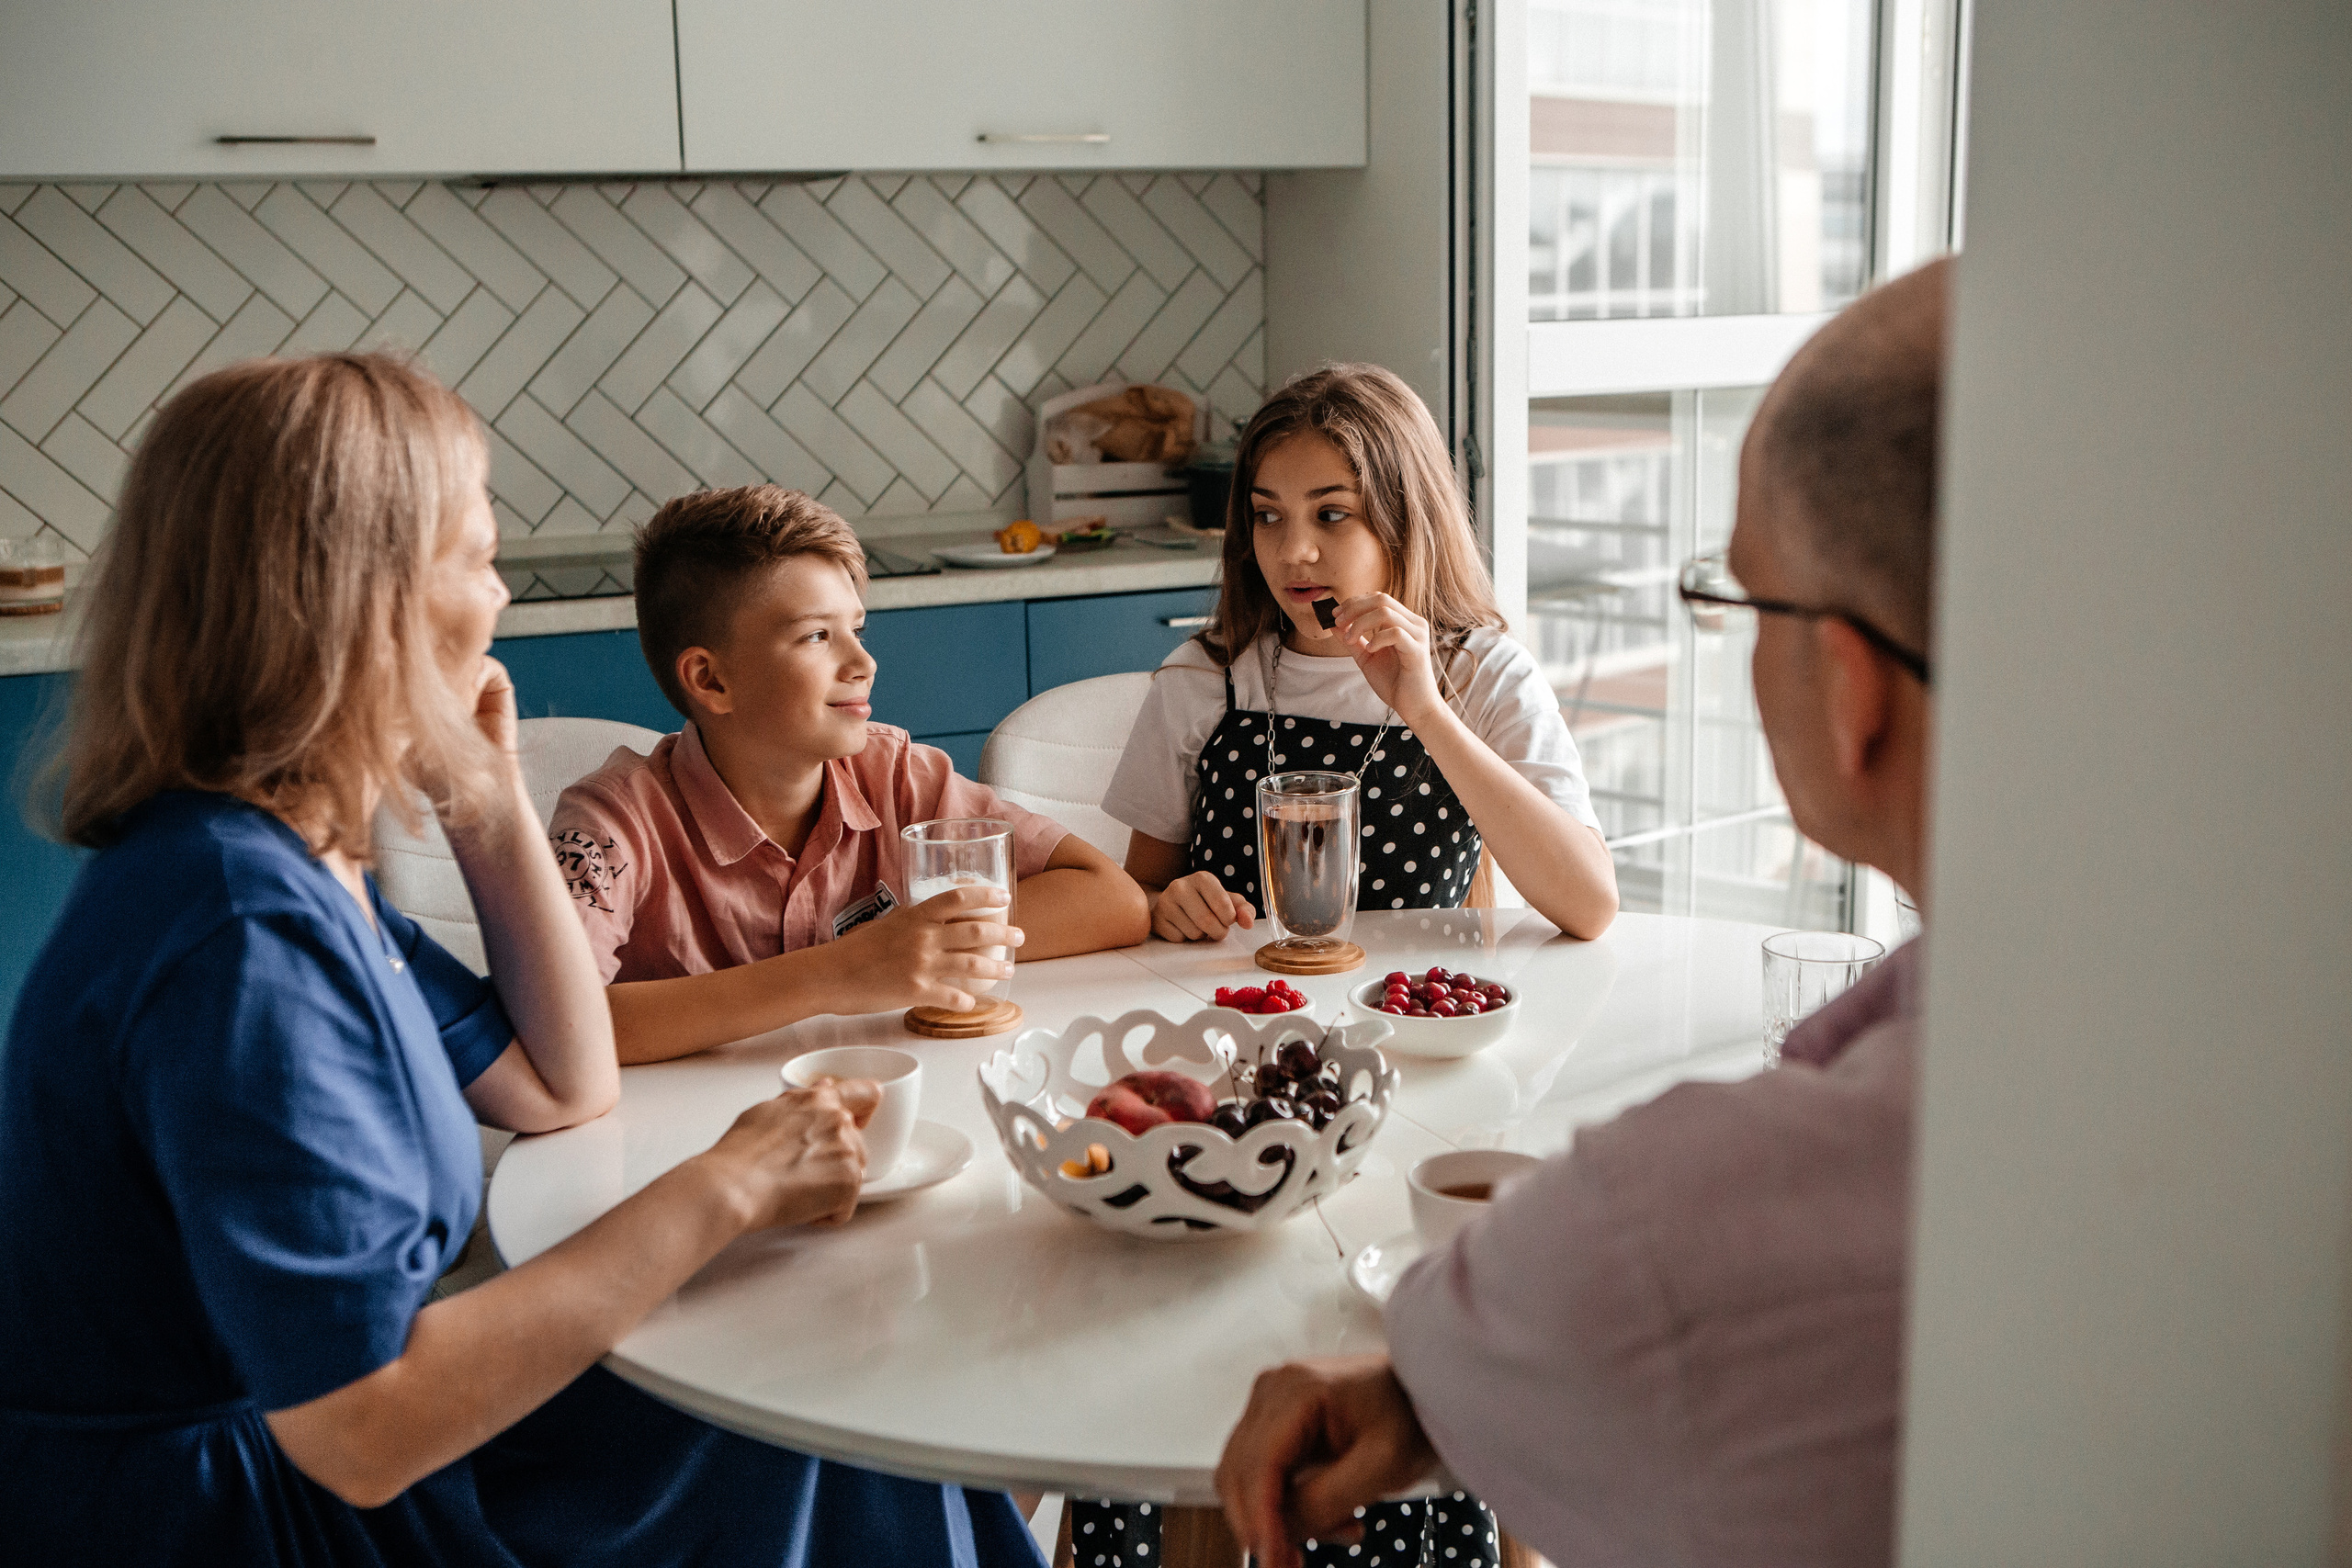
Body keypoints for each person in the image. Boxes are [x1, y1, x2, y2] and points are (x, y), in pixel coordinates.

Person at [0, 354, 1044, 1568]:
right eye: (479, 558)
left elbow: (562, 1080)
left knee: (835, 1397)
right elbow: (364, 1428)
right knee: (805, 1416)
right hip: (243, 1515)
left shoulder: (294, 855)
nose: (499, 599)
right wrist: (728, 1184)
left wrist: (488, 802)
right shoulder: (237, 930)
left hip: (319, 1454)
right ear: (364, 596)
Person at [1214, 259, 1951, 1568]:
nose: (1297, 550)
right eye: (1272, 517)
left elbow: (1522, 1315)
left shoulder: (1632, 1228)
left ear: (1850, 687)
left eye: (1731, 600)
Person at [546, 484, 1150, 1065]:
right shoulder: (612, 823)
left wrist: (912, 951)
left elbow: (1112, 898)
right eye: (816, 635)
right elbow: (555, 1027)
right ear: (710, 680)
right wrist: (842, 971)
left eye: (856, 629)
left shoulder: (897, 777)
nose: (863, 662)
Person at [1102, 363, 1617, 946]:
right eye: (1268, 515)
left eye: (1332, 514)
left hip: (1411, 1020)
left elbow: (1591, 906)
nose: (1294, 551)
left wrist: (1427, 712)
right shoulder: (1205, 677)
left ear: (1404, 520)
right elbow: (1138, 892)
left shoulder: (1485, 675)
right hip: (1238, 1020)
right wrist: (1164, 905)